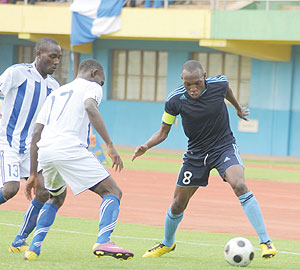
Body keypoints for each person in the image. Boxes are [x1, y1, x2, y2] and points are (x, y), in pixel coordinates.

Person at [132, 60, 276, 259]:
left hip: (223, 147)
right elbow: (163, 132)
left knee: (240, 185)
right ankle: (167, 243)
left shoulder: (219, 84)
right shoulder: (174, 100)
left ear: (205, 77)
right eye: (187, 84)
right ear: (182, 81)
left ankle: (265, 241)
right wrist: (146, 145)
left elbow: (227, 91)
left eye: (197, 83)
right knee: (177, 204)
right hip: (195, 155)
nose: (192, 88)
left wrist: (238, 108)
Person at [23, 58, 134, 261]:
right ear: (94, 73)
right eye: (102, 81)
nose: (101, 85)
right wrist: (109, 144)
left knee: (55, 197)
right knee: (113, 191)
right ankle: (103, 240)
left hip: (46, 150)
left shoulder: (56, 93)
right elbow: (91, 107)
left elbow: (37, 132)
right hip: (70, 148)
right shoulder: (92, 86)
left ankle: (33, 249)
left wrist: (32, 173)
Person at [0, 37, 62, 252]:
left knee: (44, 191)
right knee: (10, 189)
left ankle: (20, 239)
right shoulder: (17, 72)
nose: (56, 62)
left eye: (59, 58)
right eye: (52, 57)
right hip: (6, 141)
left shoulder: (54, 87)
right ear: (39, 55)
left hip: (31, 149)